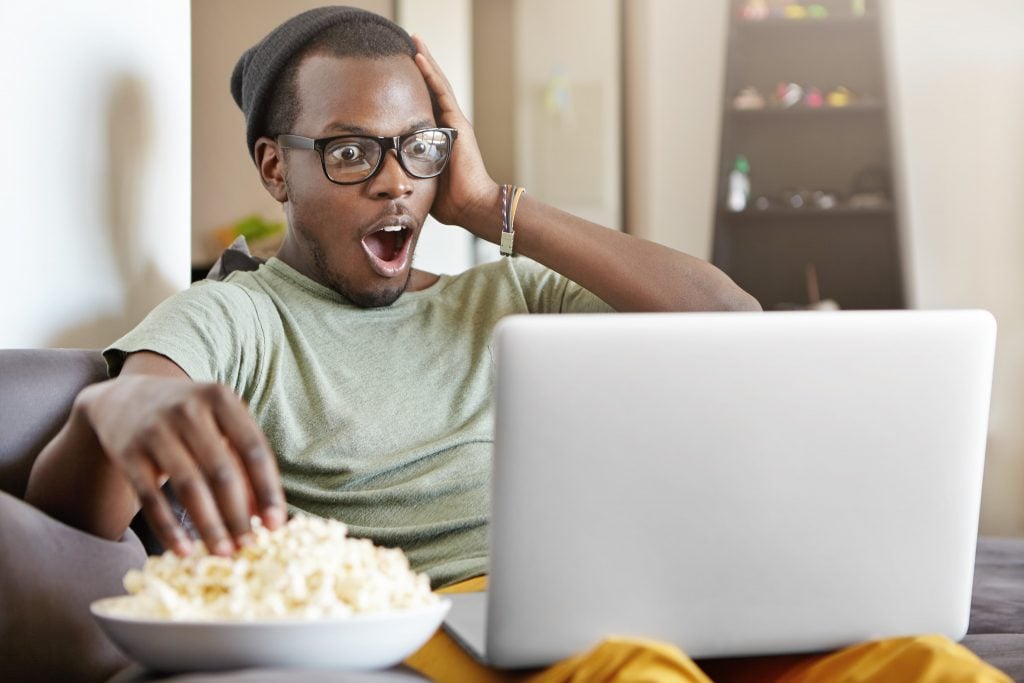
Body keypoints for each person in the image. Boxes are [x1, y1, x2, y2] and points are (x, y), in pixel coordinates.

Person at [24, 7, 1008, 683]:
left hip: (647, 586)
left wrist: (492, 205)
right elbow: (93, 475)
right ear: (277, 170)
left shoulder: (510, 292)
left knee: (917, 659)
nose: (395, 182)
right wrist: (118, 408)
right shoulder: (238, 313)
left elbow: (731, 320)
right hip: (446, 616)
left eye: (420, 147)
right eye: (353, 150)